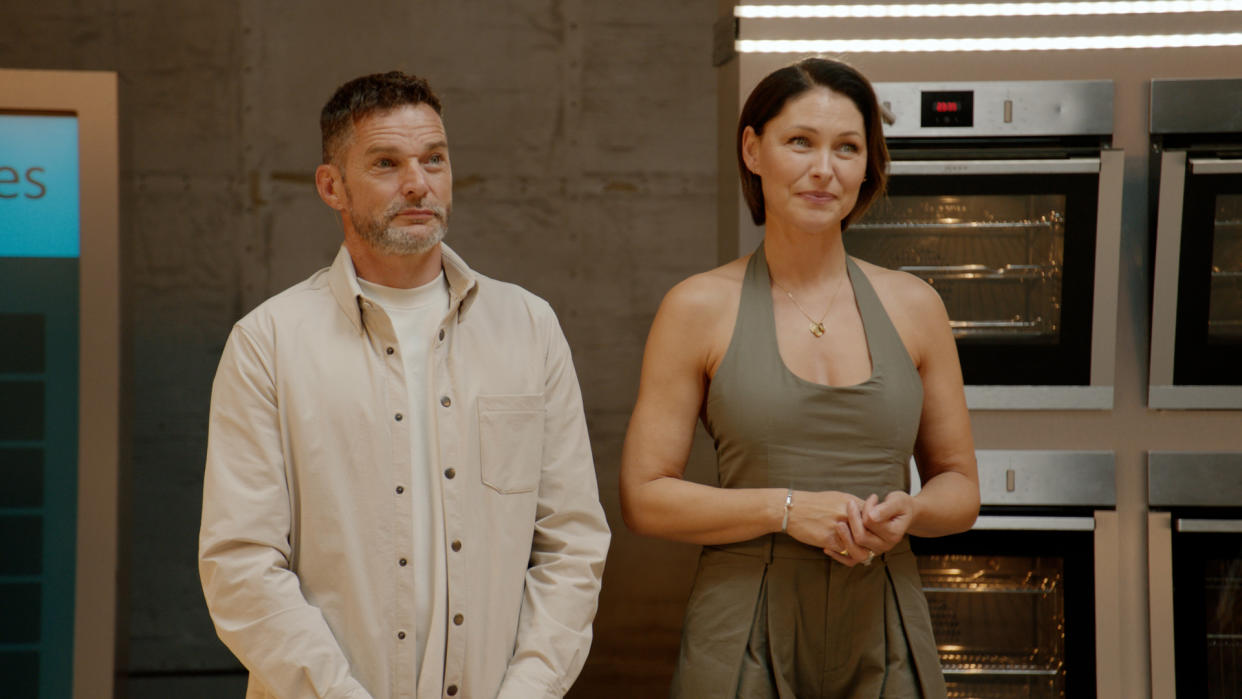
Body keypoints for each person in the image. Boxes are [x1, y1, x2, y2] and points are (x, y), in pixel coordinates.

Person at [199, 71, 610, 699]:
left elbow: (571, 542)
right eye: (386, 163)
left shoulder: (529, 326)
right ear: (332, 186)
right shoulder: (267, 342)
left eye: (434, 160)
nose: (418, 183)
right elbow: (241, 565)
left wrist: (529, 688)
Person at [620, 57, 980, 698]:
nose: (824, 169)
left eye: (847, 148)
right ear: (753, 150)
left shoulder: (916, 306)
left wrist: (913, 510)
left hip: (886, 618)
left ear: (868, 164)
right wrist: (785, 511)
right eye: (800, 143)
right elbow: (645, 497)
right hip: (742, 625)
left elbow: (959, 486)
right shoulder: (697, 306)